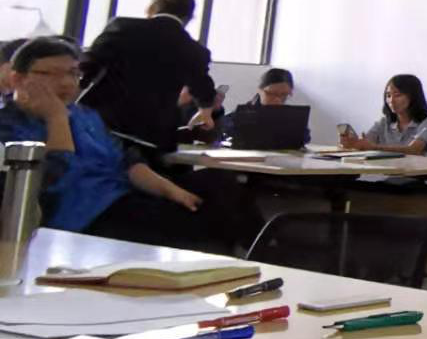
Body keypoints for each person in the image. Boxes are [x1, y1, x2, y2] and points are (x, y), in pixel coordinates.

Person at [0, 37, 254, 252]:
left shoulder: (85, 115)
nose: (66, 82)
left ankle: (259, 256)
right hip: (82, 214)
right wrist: (56, 118)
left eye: (73, 73)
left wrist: (172, 191)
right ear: (18, 79)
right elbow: (49, 181)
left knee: (218, 185)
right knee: (199, 225)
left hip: (123, 195)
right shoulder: (8, 125)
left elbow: (127, 161)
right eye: (50, 73)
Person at [78, 0, 218, 152]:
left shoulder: (121, 27)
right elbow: (203, 87)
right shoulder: (195, 50)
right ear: (189, 18)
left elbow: (88, 66)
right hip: (152, 135)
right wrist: (205, 112)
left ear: (151, 8)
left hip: (103, 125)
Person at [340, 74, 427, 155]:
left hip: (419, 173)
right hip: (388, 173)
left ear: (413, 97)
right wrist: (353, 143)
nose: (391, 100)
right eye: (388, 95)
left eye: (397, 95)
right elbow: (366, 143)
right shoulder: (383, 122)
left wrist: (373, 147)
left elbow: (414, 150)